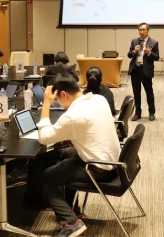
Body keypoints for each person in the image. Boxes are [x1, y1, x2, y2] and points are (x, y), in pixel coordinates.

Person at [36, 73, 121, 236]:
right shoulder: (99, 99)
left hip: (99, 168)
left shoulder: (72, 116)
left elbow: (44, 138)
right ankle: (71, 208)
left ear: (63, 94)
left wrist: (46, 104)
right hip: (113, 160)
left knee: (46, 177)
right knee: (65, 153)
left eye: (57, 100)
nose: (58, 104)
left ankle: (71, 222)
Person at [127, 22, 159, 121]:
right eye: (140, 30)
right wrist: (134, 51)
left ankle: (151, 112)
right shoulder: (134, 41)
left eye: (143, 29)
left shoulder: (154, 42)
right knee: (136, 93)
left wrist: (149, 53)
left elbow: (157, 57)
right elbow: (129, 55)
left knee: (149, 93)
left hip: (146, 71)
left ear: (148, 30)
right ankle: (138, 113)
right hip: (135, 70)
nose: (141, 32)